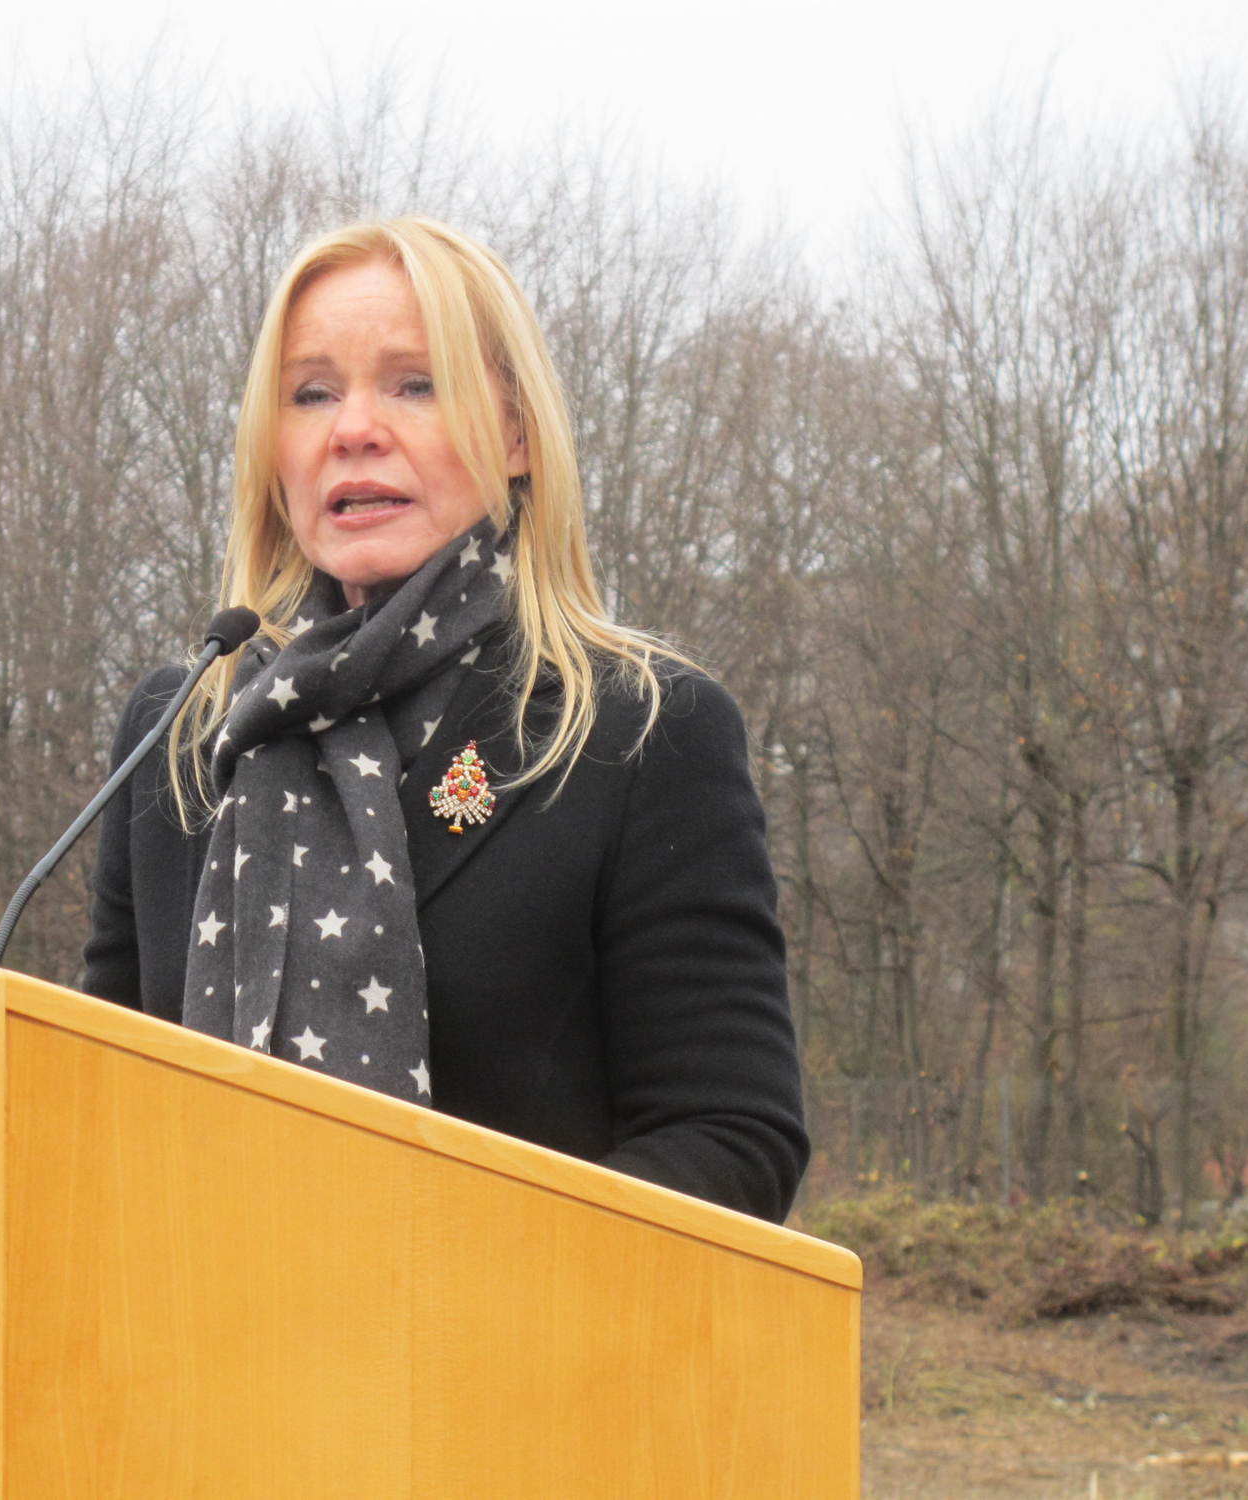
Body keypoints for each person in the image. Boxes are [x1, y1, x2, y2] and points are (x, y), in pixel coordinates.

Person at [80, 217, 806, 1222]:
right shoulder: (179, 736)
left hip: (506, 1361)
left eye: (414, 384)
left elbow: (729, 1142)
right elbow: (91, 1111)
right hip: (190, 1355)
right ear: (271, 449)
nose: (353, 429)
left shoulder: (636, 729)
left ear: (514, 433)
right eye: (311, 393)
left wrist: (455, 1281)